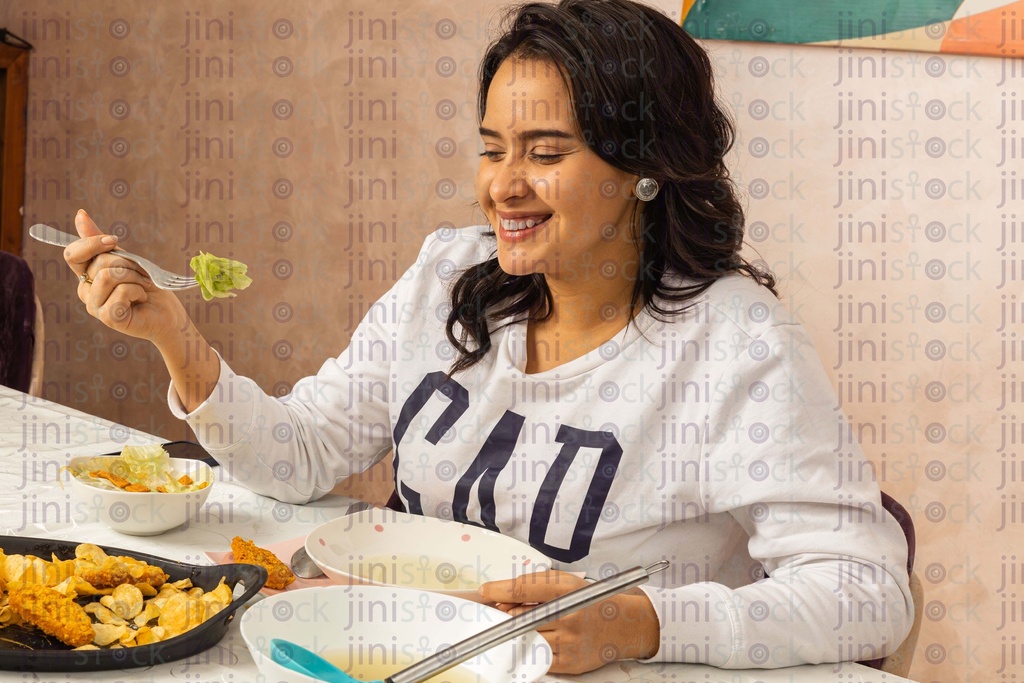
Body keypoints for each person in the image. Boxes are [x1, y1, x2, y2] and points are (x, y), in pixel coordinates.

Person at [64, 0, 913, 674]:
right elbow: (300, 455)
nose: (504, 185)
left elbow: (866, 591)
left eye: (545, 152)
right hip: (390, 653)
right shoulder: (447, 275)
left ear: (643, 167)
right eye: (492, 148)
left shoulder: (735, 343)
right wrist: (176, 337)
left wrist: (640, 623)